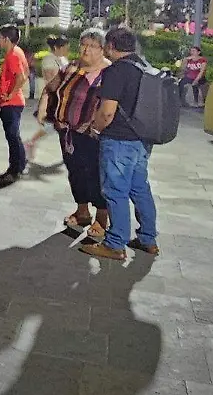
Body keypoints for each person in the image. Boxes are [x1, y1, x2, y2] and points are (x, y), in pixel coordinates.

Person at [82, 27, 160, 261]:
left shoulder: (117, 71)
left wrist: (95, 128)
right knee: (140, 188)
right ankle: (148, 239)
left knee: (115, 190)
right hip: (142, 138)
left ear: (111, 46)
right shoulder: (144, 67)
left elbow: (107, 112)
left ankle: (115, 243)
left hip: (119, 140)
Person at [43, 28, 110, 237]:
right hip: (68, 131)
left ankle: (101, 218)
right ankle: (82, 211)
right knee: (76, 171)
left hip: (95, 135)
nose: (86, 50)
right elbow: (52, 87)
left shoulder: (109, 72)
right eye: (83, 44)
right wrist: (45, 106)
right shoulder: (71, 67)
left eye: (92, 46)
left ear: (102, 49)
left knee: (96, 174)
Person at [27, 36, 70, 160]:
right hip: (54, 98)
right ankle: (31, 142)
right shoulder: (49, 60)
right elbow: (51, 81)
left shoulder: (62, 59)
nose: (66, 51)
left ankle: (68, 151)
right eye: (64, 48)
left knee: (59, 126)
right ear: (56, 48)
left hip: (63, 97)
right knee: (53, 126)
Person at [0, 25, 30, 179]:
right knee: (13, 135)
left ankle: (15, 167)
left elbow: (22, 77)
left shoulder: (13, 56)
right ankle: (20, 164)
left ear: (7, 39)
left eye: (1, 38)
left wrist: (11, 94)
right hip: (12, 102)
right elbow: (26, 73)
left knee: (12, 136)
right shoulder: (17, 52)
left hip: (12, 103)